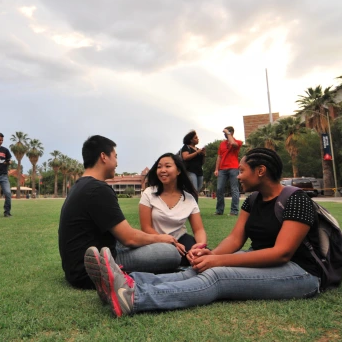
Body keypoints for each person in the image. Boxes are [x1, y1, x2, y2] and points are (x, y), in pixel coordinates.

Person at [85, 148, 323, 317]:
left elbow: (282, 253)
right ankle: (127, 281)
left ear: (260, 171)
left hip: (300, 272)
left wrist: (217, 261)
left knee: (217, 277)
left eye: (241, 171)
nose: (237, 175)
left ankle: (135, 298)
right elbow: (235, 239)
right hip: (263, 260)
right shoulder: (253, 200)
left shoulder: (296, 199)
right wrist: (208, 257)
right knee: (196, 269)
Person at [58, 135, 182, 292]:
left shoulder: (80, 186)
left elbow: (121, 234)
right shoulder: (98, 189)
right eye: (115, 157)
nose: (117, 163)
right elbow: (129, 238)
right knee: (171, 253)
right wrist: (160, 238)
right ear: (103, 156)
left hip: (75, 266)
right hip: (89, 270)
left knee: (145, 242)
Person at [139, 153, 207, 265]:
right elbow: (146, 227)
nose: (162, 170)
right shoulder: (149, 194)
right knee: (169, 257)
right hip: (156, 239)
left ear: (178, 171)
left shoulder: (189, 199)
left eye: (167, 166)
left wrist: (200, 246)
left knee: (198, 257)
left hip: (181, 238)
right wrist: (169, 243)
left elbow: (199, 230)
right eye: (159, 167)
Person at [214, 126, 243, 215]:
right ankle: (219, 210)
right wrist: (216, 169)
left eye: (225, 133)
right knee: (219, 189)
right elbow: (219, 156)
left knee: (234, 189)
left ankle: (234, 211)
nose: (224, 135)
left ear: (231, 133)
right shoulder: (222, 144)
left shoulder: (238, 142)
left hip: (233, 168)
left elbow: (234, 144)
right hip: (222, 169)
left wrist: (228, 132)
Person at [180, 130, 205, 195]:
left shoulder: (197, 149)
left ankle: (195, 204)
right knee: (193, 190)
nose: (198, 139)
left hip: (199, 172)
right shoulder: (186, 147)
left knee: (197, 191)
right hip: (190, 171)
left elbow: (202, 163)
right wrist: (197, 152)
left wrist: (203, 154)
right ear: (191, 140)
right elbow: (185, 157)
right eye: (195, 138)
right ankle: (192, 205)